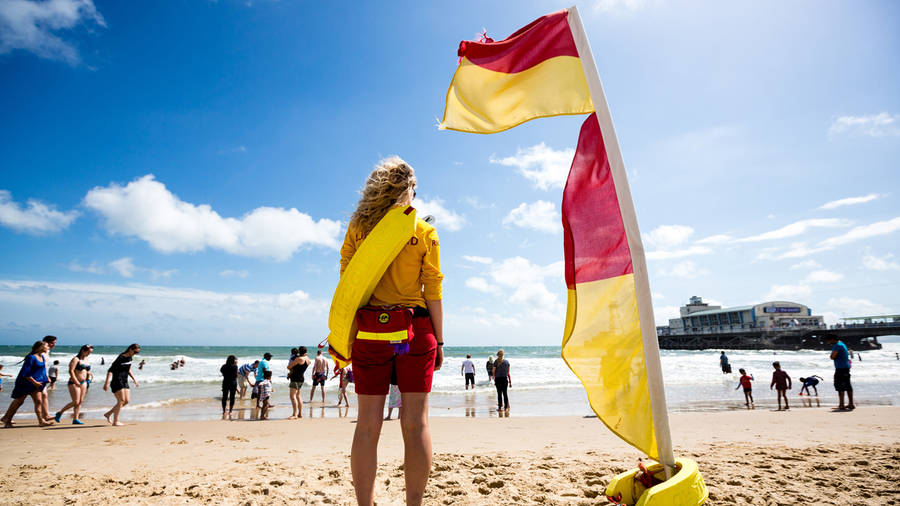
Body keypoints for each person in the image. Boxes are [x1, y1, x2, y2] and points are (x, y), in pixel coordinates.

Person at [342, 157, 444, 506]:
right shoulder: (422, 229)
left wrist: (346, 335)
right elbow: (433, 289)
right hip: (415, 331)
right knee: (415, 423)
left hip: (370, 333)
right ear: (408, 190)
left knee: (367, 424)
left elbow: (348, 285)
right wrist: (440, 341)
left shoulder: (358, 228)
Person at [1, 341, 54, 427]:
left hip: (36, 383)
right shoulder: (31, 357)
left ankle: (41, 421)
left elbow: (42, 370)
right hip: (25, 383)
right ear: (41, 347)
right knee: (19, 402)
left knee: (38, 401)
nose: (48, 347)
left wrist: (46, 377)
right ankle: (7, 420)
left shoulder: (42, 357)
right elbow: (26, 373)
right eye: (47, 346)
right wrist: (35, 382)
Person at [103, 343, 141, 426]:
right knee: (121, 400)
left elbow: (128, 369)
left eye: (137, 353)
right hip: (116, 381)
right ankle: (115, 421)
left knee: (126, 401)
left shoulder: (130, 357)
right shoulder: (121, 357)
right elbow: (110, 370)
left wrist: (134, 379)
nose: (135, 354)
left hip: (124, 381)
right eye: (135, 352)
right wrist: (106, 383)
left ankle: (108, 414)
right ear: (130, 349)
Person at [54, 344, 93, 425]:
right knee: (76, 401)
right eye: (88, 352)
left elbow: (85, 371)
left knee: (80, 401)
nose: (89, 354)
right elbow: (71, 371)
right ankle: (60, 413)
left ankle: (75, 419)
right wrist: (76, 381)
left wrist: (89, 377)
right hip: (74, 382)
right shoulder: (75, 359)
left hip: (84, 382)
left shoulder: (87, 360)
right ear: (83, 350)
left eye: (90, 352)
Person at [828, 337, 854, 411]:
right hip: (846, 367)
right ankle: (851, 404)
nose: (829, 342)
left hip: (840, 368)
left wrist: (833, 356)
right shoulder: (843, 344)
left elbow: (832, 356)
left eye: (829, 341)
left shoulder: (837, 345)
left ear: (833, 339)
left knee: (840, 386)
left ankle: (841, 405)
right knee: (848, 385)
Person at [287, 346, 311, 419]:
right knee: (298, 396)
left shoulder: (299, 359)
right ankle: (300, 414)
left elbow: (289, 367)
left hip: (295, 378)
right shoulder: (308, 359)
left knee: (292, 396)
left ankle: (294, 414)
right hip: (301, 378)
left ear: (299, 352)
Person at [40, 335, 57, 420]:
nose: (54, 345)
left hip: (41, 376)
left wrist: (46, 376)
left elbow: (44, 366)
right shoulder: (41, 351)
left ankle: (46, 415)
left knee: (44, 395)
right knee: (20, 400)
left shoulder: (47, 351)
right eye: (53, 343)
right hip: (35, 377)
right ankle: (7, 417)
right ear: (47, 342)